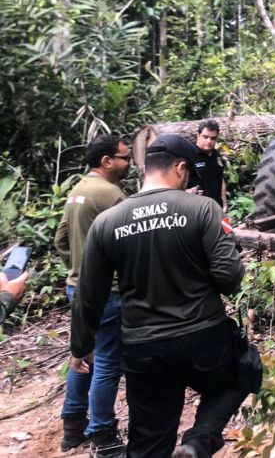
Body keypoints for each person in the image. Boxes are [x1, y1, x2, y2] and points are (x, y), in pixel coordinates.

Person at [70, 134, 246, 458]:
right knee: (243, 373)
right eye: (189, 174)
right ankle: (198, 442)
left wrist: (80, 347)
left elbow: (88, 296)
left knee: (149, 441)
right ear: (180, 168)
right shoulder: (204, 209)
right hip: (204, 338)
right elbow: (230, 278)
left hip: (143, 348)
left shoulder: (107, 223)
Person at [54, 134, 130, 457]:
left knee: (83, 354)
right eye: (124, 158)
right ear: (106, 161)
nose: (129, 163)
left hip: (77, 287)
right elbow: (131, 243)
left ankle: (72, 426)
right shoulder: (111, 195)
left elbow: (60, 240)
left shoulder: (76, 191)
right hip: (107, 293)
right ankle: (102, 435)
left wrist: (77, 267)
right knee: (108, 362)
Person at [188, 120, 227, 212]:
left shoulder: (216, 154)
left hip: (217, 208)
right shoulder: (189, 155)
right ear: (198, 135)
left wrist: (224, 202)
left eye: (213, 138)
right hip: (196, 209)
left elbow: (220, 179)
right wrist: (187, 192)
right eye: (205, 137)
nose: (209, 141)